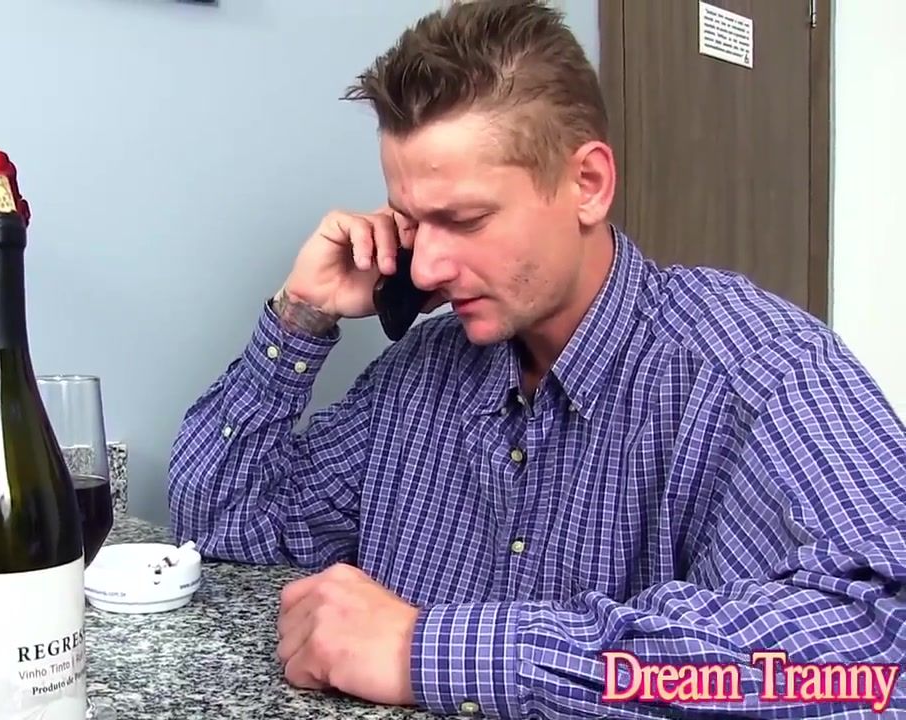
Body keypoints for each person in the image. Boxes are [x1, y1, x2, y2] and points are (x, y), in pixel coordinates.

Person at [167, 0, 906, 717]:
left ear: (588, 185)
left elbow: (879, 655)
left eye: (464, 219)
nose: (425, 268)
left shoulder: (761, 370)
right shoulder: (415, 376)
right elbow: (222, 527)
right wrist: (301, 315)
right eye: (412, 223)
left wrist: (429, 652)